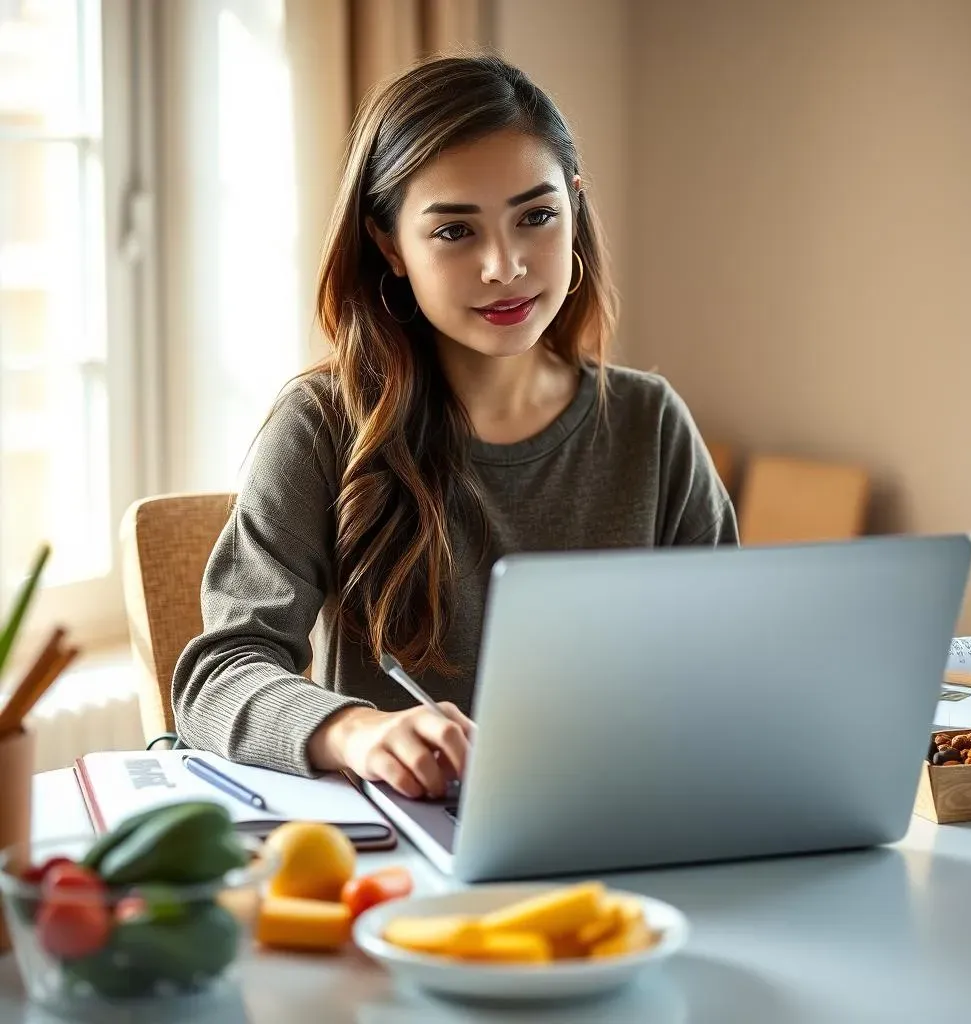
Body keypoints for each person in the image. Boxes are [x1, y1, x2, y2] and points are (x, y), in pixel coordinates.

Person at [171, 53, 738, 800]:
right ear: (388, 245)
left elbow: (730, 654)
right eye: (454, 233)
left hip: (625, 818)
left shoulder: (649, 421)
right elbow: (218, 677)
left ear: (574, 209)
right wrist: (357, 731)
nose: (504, 266)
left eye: (536, 217)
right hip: (417, 856)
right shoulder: (323, 426)